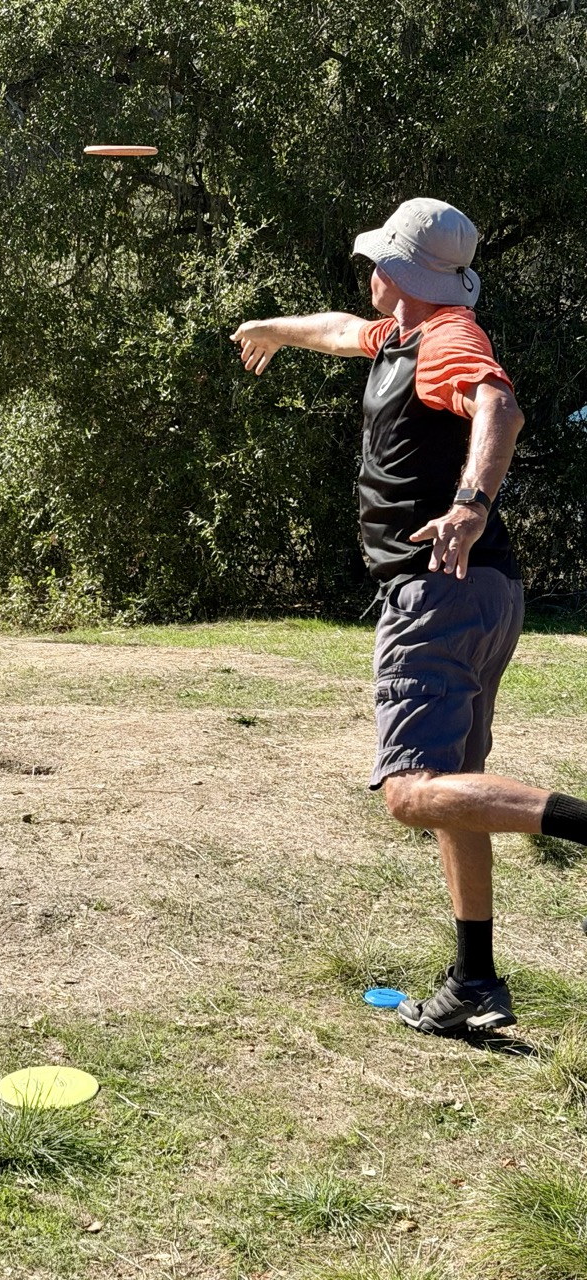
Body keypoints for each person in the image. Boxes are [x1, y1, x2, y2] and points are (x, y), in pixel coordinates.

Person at [230, 197, 587, 1034]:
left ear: (399, 272)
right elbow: (336, 329)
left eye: (376, 262)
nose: (367, 275)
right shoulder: (401, 334)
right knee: (457, 793)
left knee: (410, 793)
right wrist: (273, 329)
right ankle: (475, 982)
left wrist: (470, 503)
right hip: (478, 593)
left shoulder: (447, 338)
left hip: (439, 590)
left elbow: (498, 405)